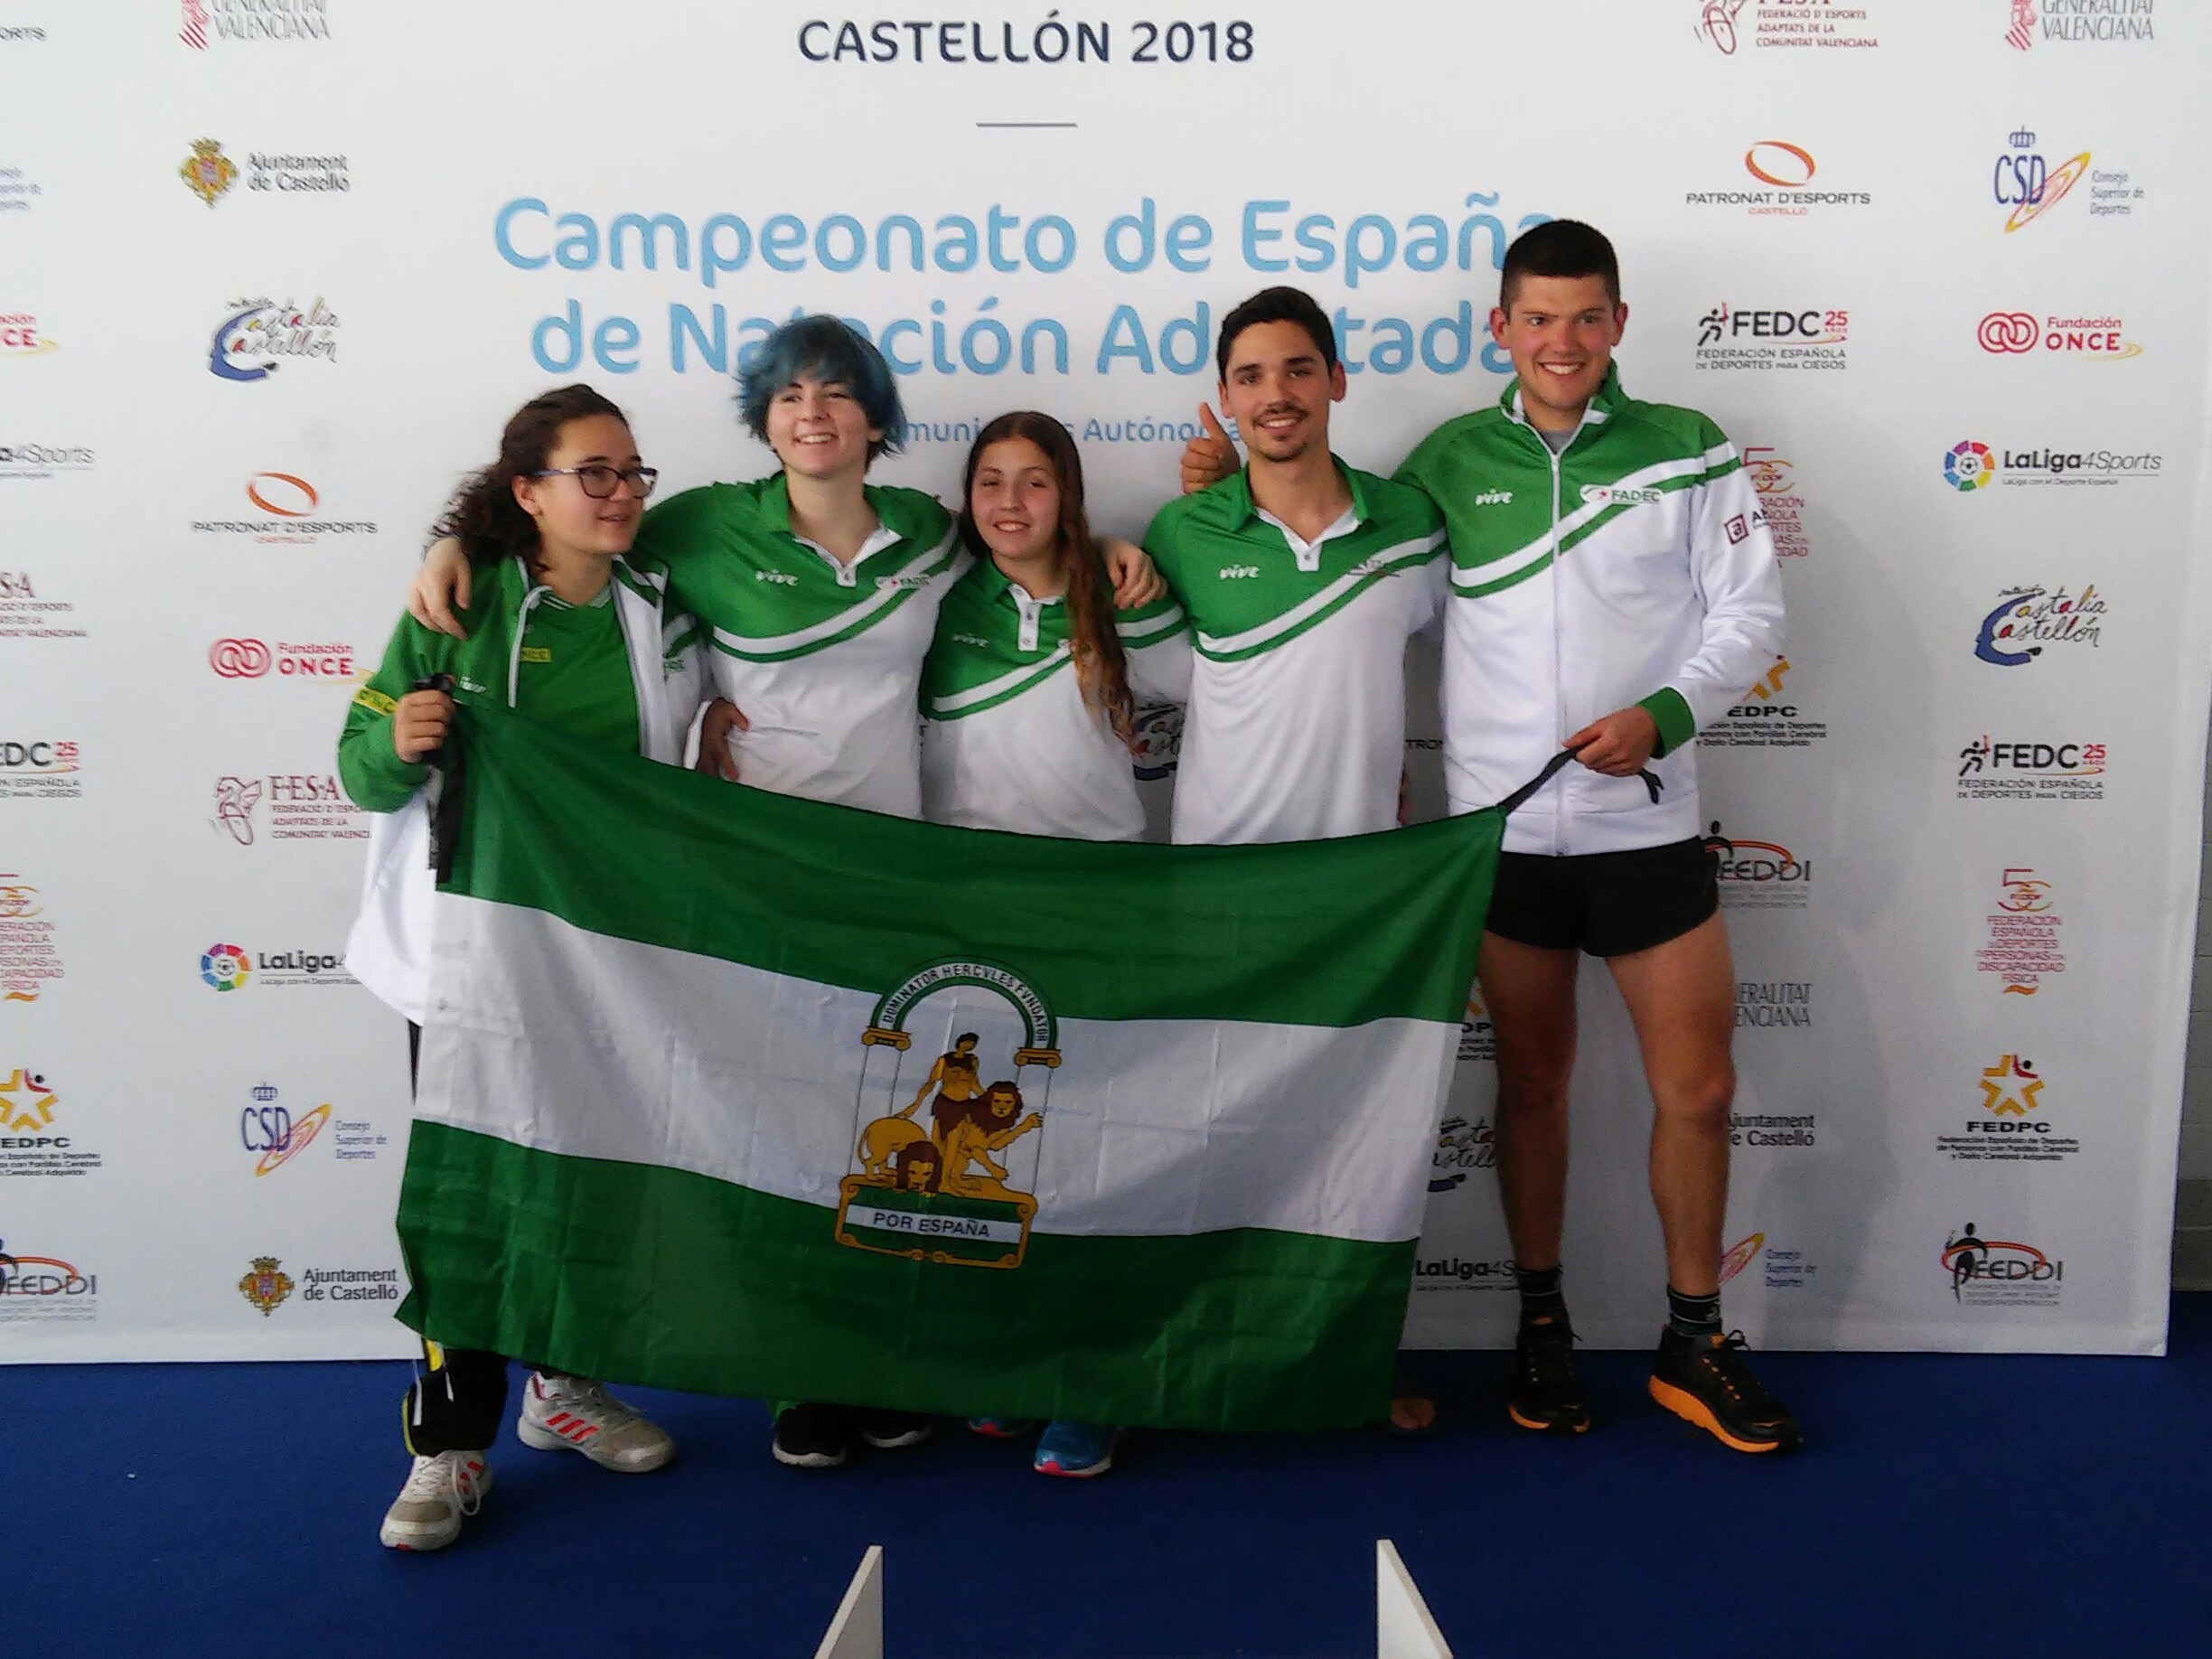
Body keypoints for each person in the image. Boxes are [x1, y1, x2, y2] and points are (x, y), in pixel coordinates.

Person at [402, 319, 1166, 1471]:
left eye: (839, 393)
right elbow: (565, 528)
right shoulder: (701, 524)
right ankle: (792, 1386)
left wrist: (1113, 548)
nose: (814, 412)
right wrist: (455, 542)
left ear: (875, 419)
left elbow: (1029, 538)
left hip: (895, 882)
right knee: (767, 1138)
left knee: (866, 1141)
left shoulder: (930, 534)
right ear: (764, 418)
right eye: (790, 394)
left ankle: (868, 1363)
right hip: (755, 885)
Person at [1182, 220, 1799, 1453]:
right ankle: (1542, 1327)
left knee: (1701, 1087)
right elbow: (1344, 584)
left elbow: (1753, 610)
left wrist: (1665, 715)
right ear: (1500, 329)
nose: (1560, 341)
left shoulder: (1686, 451)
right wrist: (1217, 507)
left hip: (1647, 827)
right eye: (1537, 317)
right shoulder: (1444, 467)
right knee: (1530, 1088)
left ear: (1617, 325)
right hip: (1499, 842)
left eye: (1584, 316)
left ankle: (1692, 1338)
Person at [339, 384, 701, 1551]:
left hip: (603, 957)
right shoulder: (459, 602)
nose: (622, 494)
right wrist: (393, 746)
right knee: (471, 1201)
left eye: (634, 472)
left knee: (592, 1173)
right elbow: (358, 765)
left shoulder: (663, 605)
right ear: (527, 491)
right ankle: (450, 1443)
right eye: (594, 472)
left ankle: (567, 1386)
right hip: (467, 962)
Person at [1143, 287, 1448, 1436]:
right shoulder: (1185, 533)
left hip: (1362, 897)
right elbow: (1163, 677)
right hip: (1221, 890)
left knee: (1352, 1146)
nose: (1276, 395)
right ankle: (1168, 1367)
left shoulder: (1413, 526)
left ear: (1336, 381)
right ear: (1226, 397)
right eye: (1252, 377)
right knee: (1203, 1134)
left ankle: (1341, 1363)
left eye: (1297, 370)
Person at [915, 409, 1192, 1476]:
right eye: (991, 481)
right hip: (972, 909)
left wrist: (1135, 566)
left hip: (1100, 901)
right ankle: (1021, 1360)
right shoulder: (934, 594)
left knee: (1096, 1149)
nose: (1012, 504)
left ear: (1067, 496)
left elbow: (1224, 691)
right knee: (990, 1152)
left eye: (1036, 483)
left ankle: (1098, 1380)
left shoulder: (1118, 592)